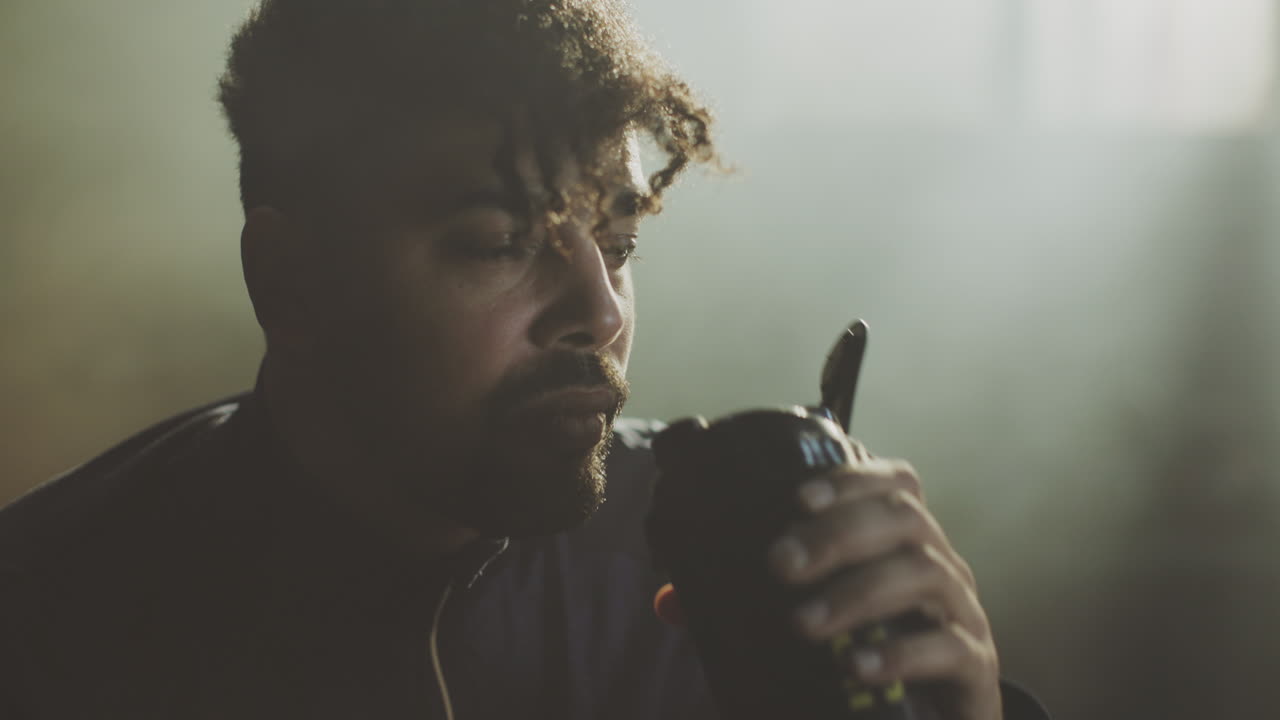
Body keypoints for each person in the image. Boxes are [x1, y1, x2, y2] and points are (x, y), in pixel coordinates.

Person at [0, 1, 1048, 718]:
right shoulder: (45, 616)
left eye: (621, 245)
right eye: (500, 243)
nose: (600, 312)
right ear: (290, 283)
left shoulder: (725, 556)